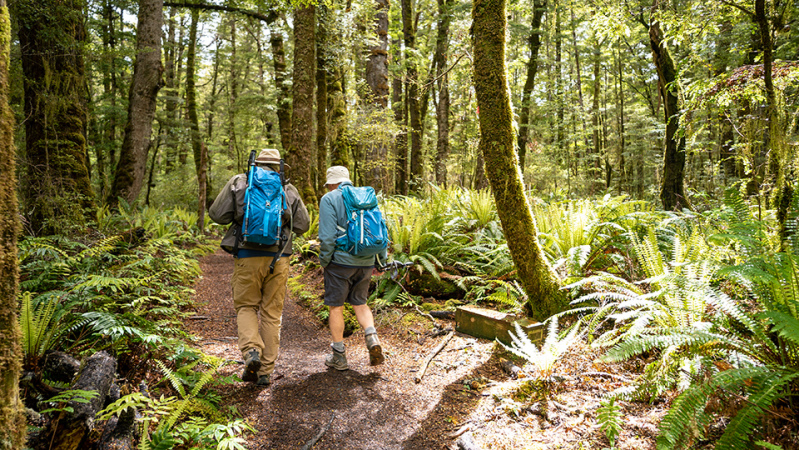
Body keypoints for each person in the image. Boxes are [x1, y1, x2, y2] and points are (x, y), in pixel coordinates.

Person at [209, 148, 310, 386]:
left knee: (246, 306)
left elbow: (217, 214)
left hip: (247, 254)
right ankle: (264, 372)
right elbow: (303, 225)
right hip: (279, 257)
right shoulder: (288, 188)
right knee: (271, 314)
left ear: (255, 163)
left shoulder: (240, 182)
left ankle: (251, 351)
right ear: (278, 166)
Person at [318, 166, 386, 370]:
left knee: (336, 307)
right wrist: (380, 262)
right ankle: (372, 338)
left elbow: (328, 237)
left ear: (331, 183)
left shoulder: (329, 199)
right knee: (360, 303)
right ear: (347, 180)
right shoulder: (366, 196)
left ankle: (339, 356)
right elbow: (380, 230)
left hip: (340, 262)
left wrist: (324, 261)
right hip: (366, 260)